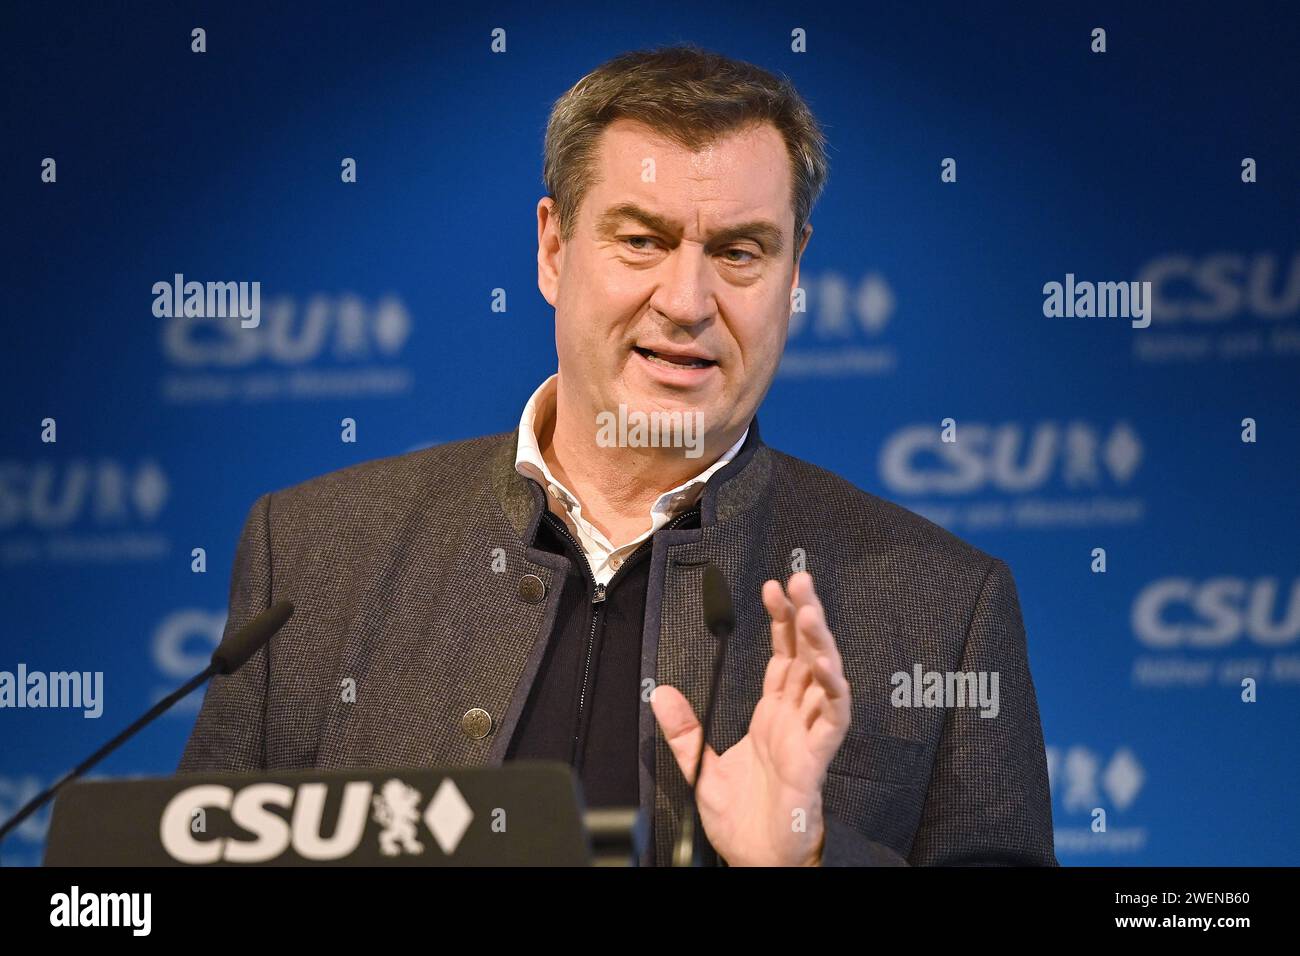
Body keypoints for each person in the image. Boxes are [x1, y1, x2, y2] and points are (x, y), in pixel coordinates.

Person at [180, 44, 1056, 867]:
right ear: (554, 249)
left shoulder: (944, 607)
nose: (686, 301)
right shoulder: (312, 551)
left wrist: (807, 857)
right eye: (641, 240)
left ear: (795, 279)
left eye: (739, 252)